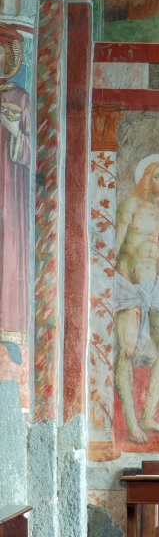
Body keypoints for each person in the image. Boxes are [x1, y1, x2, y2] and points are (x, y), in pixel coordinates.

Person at [114, 155, 159, 444]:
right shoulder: (130, 206)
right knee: (126, 351)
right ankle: (130, 421)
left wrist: (154, 282)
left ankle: (148, 414)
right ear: (146, 178)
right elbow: (113, 249)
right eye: (158, 176)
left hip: (153, 288)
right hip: (127, 285)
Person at [0, 27, 30, 367]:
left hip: (8, 187)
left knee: (8, 251)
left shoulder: (20, 97)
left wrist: (12, 133)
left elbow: (33, 153)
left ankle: (8, 331)